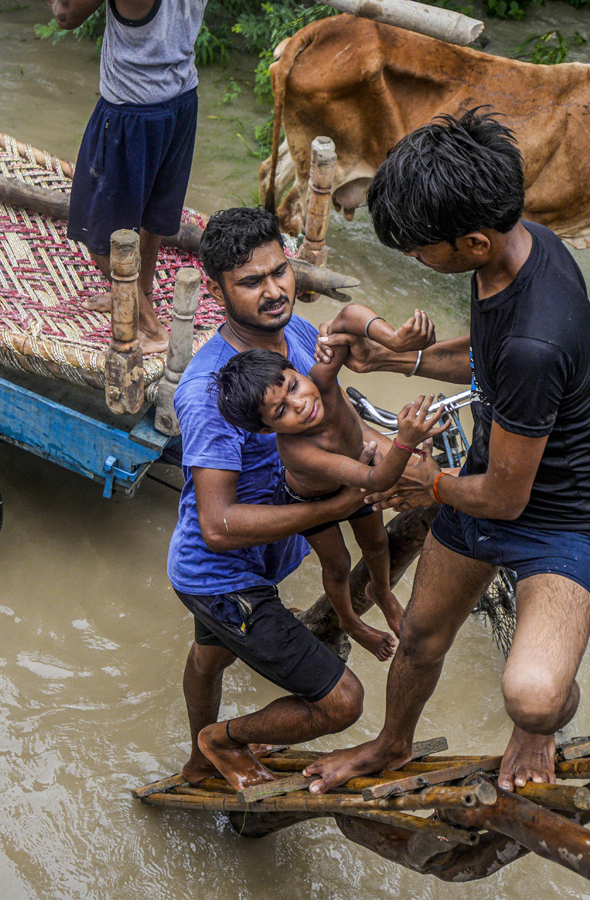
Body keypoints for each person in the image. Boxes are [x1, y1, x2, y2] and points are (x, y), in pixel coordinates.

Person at [302, 109, 590, 794]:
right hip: (489, 475)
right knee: (420, 637)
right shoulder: (519, 247)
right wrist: (395, 358)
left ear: (474, 240)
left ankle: (541, 726)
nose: (418, 261)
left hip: (562, 516)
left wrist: (426, 481)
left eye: (422, 250)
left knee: (534, 694)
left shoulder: (536, 342)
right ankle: (392, 744)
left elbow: (507, 498)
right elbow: (486, 362)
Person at [168, 205, 374, 790]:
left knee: (210, 656)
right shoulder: (209, 390)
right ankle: (218, 741)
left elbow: (338, 423)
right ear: (217, 290)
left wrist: (388, 451)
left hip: (259, 559)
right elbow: (216, 524)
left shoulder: (299, 336)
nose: (274, 291)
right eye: (251, 282)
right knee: (343, 701)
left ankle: (193, 763)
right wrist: (335, 509)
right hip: (221, 572)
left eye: (279, 272)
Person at [212, 304, 445, 661]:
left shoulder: (321, 381)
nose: (301, 404)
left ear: (295, 369)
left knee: (378, 543)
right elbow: (376, 478)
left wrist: (394, 339)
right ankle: (351, 623)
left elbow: (348, 316)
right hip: (312, 503)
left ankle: (381, 592)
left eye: (293, 385)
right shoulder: (298, 449)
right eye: (281, 411)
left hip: (356, 479)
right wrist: (405, 440)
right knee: (337, 565)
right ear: (266, 429)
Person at [49, 0, 208, 354]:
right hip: (181, 100)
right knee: (152, 213)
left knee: (99, 234)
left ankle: (149, 327)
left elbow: (65, 15)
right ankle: (142, 295)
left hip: (130, 112)